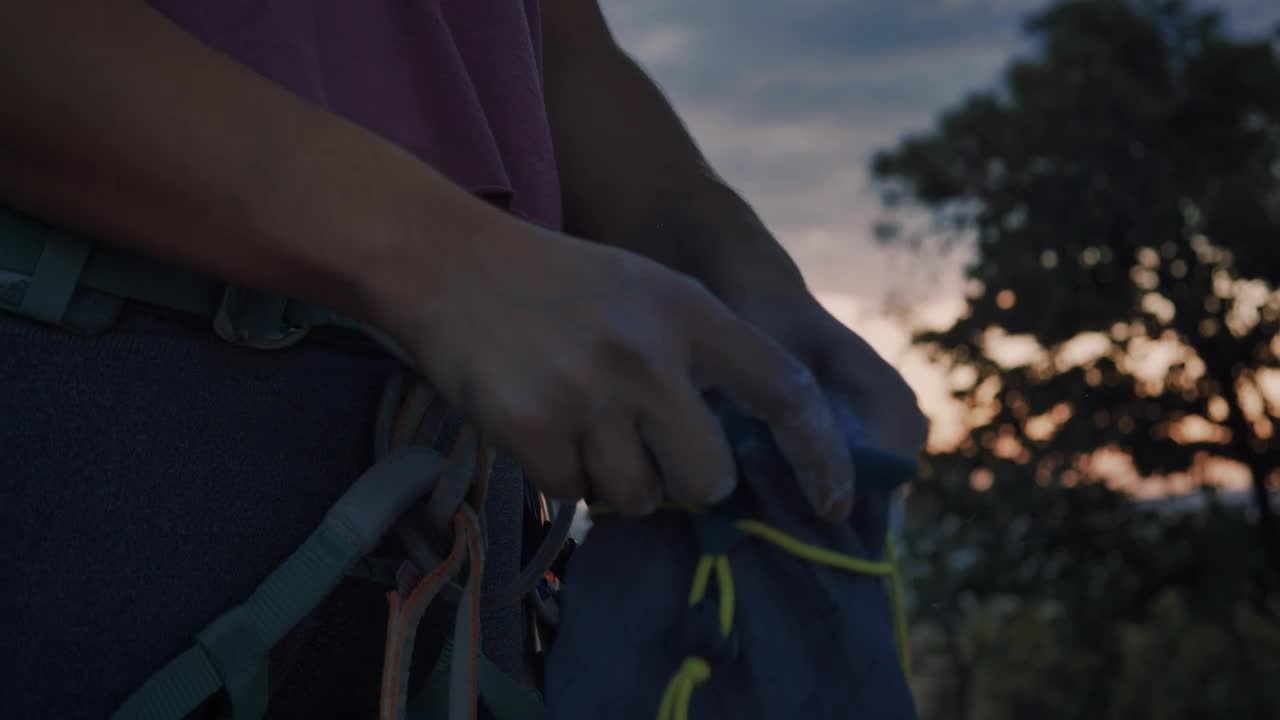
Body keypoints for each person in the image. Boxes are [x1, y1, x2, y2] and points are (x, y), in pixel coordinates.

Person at [0, 0, 927, 716]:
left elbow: (556, 44)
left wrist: (746, 281)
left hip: (463, 502)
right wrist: (434, 255)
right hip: (78, 409)